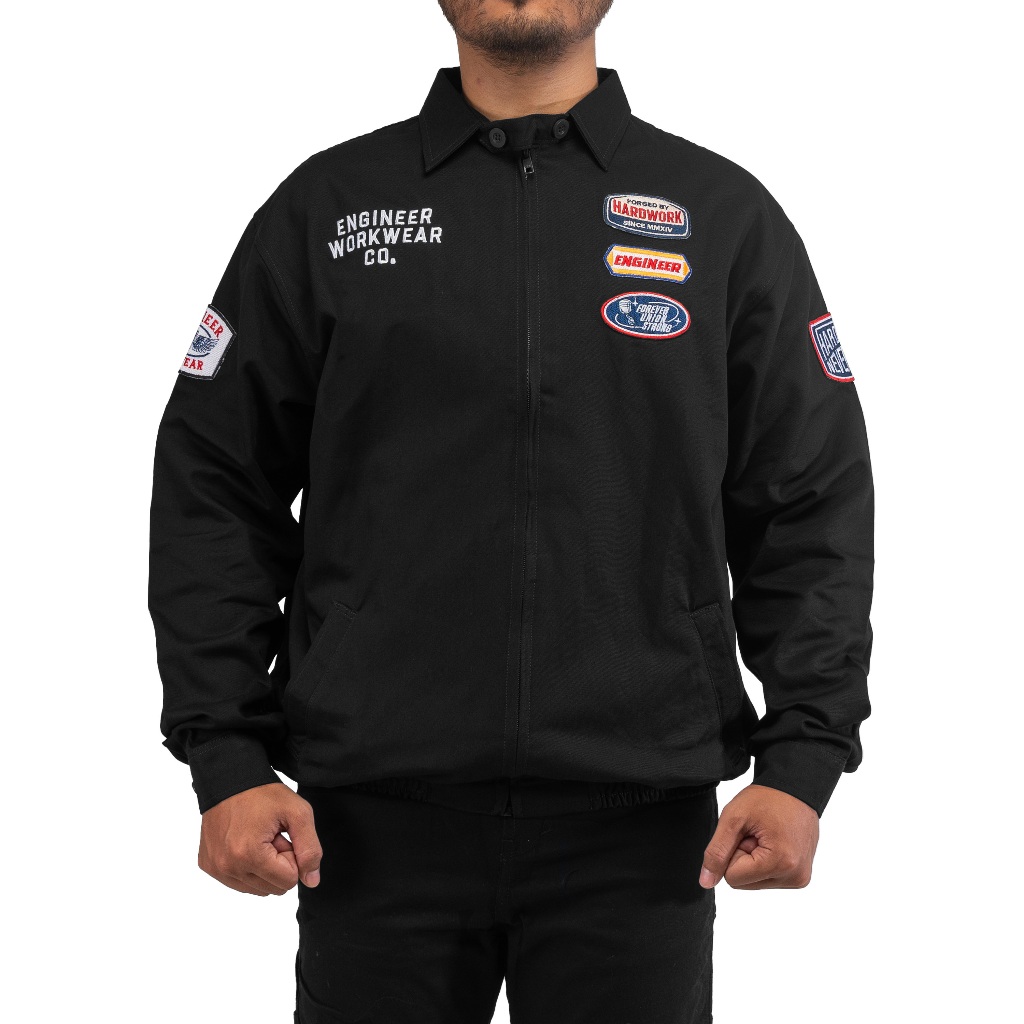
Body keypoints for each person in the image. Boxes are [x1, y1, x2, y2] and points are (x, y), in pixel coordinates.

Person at [148, 1, 873, 1019]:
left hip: (642, 831)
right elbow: (216, 480)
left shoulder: (722, 217)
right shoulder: (330, 209)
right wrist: (224, 756)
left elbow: (808, 503)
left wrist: (802, 761)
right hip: (368, 827)